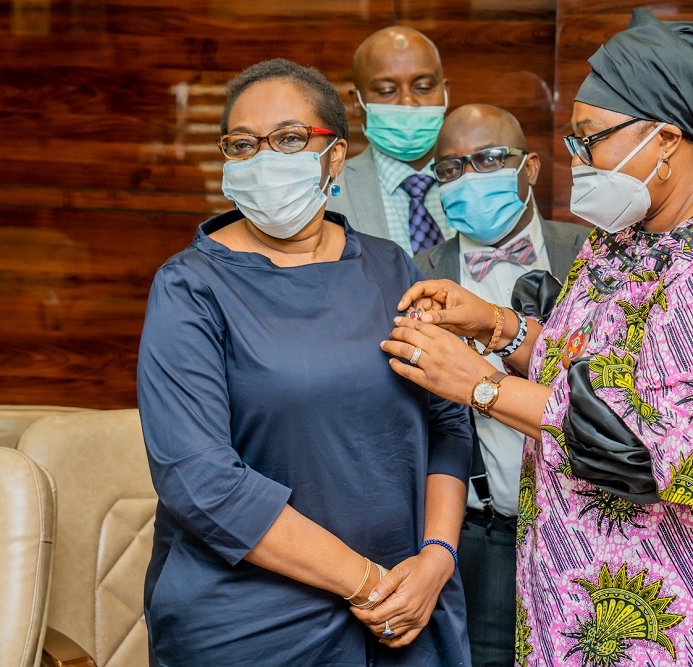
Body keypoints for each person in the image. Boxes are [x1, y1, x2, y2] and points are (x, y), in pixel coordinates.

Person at [383, 8, 693, 666]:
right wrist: (500, 326)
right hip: (590, 589)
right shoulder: (633, 229)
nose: (577, 160)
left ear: (666, 139)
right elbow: (591, 373)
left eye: (590, 140)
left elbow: (650, 444)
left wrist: (479, 384)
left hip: (684, 601)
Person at [136, 57, 473, 666]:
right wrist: (368, 583)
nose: (264, 157)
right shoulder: (191, 286)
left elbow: (447, 424)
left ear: (335, 156)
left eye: (290, 138)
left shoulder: (388, 266)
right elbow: (199, 480)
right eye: (242, 144)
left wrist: (436, 560)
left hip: (410, 610)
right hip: (256, 624)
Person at [413, 103, 589, 667]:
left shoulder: (596, 256)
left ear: (530, 168)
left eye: (489, 158)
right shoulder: (415, 273)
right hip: (479, 540)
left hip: (587, 532)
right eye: (451, 169)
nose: (470, 177)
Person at [328, 26, 456, 256]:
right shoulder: (328, 194)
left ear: (445, 92)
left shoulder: (485, 179)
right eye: (387, 91)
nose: (407, 102)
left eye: (423, 87)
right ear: (357, 102)